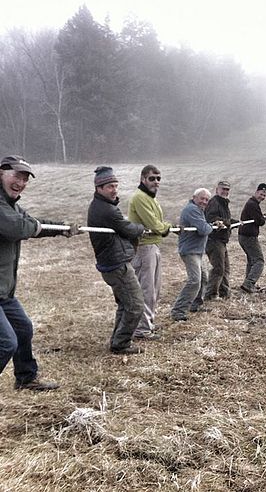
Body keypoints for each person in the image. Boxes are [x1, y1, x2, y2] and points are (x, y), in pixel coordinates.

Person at [0, 155, 78, 391]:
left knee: (23, 328)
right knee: (6, 343)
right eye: (16, 176)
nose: (21, 183)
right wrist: (37, 227)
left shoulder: (11, 205)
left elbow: (32, 223)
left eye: (25, 179)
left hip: (4, 291)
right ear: (1, 173)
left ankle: (25, 378)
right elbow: (17, 228)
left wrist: (61, 228)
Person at [87, 166, 145, 355]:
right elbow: (128, 229)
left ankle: (117, 340)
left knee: (124, 304)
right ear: (99, 188)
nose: (114, 190)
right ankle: (121, 343)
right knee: (135, 305)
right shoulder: (106, 210)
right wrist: (140, 228)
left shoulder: (102, 206)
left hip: (113, 263)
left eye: (115, 185)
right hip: (116, 264)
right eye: (110, 186)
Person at [128, 165, 172, 340]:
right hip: (144, 248)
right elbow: (155, 225)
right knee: (146, 289)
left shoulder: (150, 198)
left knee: (155, 289)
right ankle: (142, 329)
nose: (156, 182)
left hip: (153, 247)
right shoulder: (140, 198)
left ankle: (148, 323)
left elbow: (157, 224)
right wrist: (166, 227)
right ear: (143, 179)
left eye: (158, 178)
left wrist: (162, 228)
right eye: (152, 178)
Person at [170, 188, 224, 321]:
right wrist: (211, 226)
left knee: (203, 278)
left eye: (207, 199)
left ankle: (196, 304)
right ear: (194, 197)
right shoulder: (192, 210)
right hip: (190, 251)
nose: (204, 202)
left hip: (198, 251)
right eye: (202, 198)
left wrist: (210, 225)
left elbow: (204, 226)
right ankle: (178, 310)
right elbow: (204, 229)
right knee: (194, 281)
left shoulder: (198, 210)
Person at [204, 180, 238, 301]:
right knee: (218, 268)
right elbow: (211, 218)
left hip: (222, 240)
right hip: (214, 240)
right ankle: (210, 294)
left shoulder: (223, 203)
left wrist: (234, 222)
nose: (225, 191)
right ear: (217, 189)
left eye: (227, 189)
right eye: (223, 189)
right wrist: (228, 223)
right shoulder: (214, 202)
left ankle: (224, 293)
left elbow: (225, 219)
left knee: (225, 268)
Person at [238, 183, 266, 293]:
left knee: (251, 260)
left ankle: (248, 284)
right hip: (248, 237)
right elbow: (260, 221)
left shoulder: (254, 203)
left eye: (264, 195)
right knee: (259, 261)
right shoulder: (252, 204)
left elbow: (258, 218)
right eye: (261, 194)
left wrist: (262, 217)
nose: (262, 197)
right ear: (256, 192)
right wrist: (264, 218)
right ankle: (249, 283)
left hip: (244, 236)